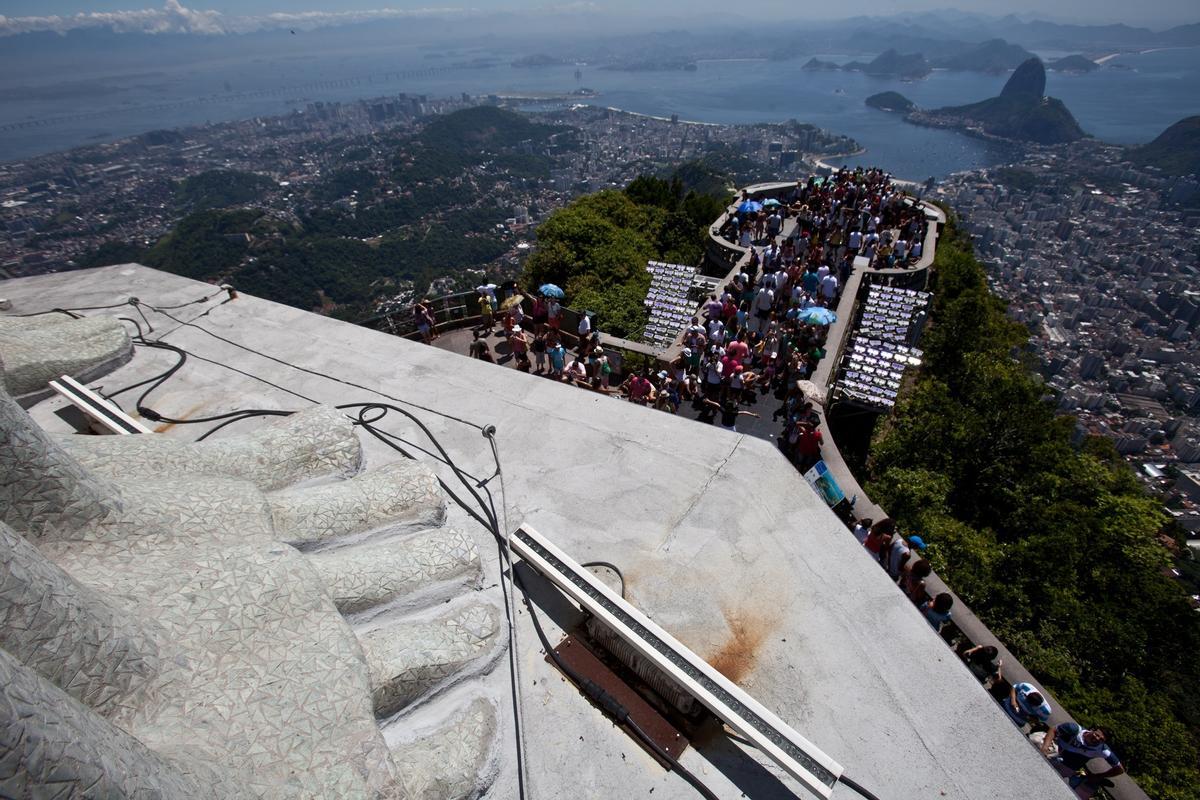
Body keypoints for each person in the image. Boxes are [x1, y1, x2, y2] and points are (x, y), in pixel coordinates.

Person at [1040, 723, 1125, 788]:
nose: (1097, 739)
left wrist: (1099, 776)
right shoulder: (1075, 729)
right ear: (1092, 730)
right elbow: (1054, 729)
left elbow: (1119, 769)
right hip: (1052, 752)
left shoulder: (1102, 750)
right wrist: (1045, 746)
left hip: (1067, 768)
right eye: (1097, 735)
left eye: (1101, 739)